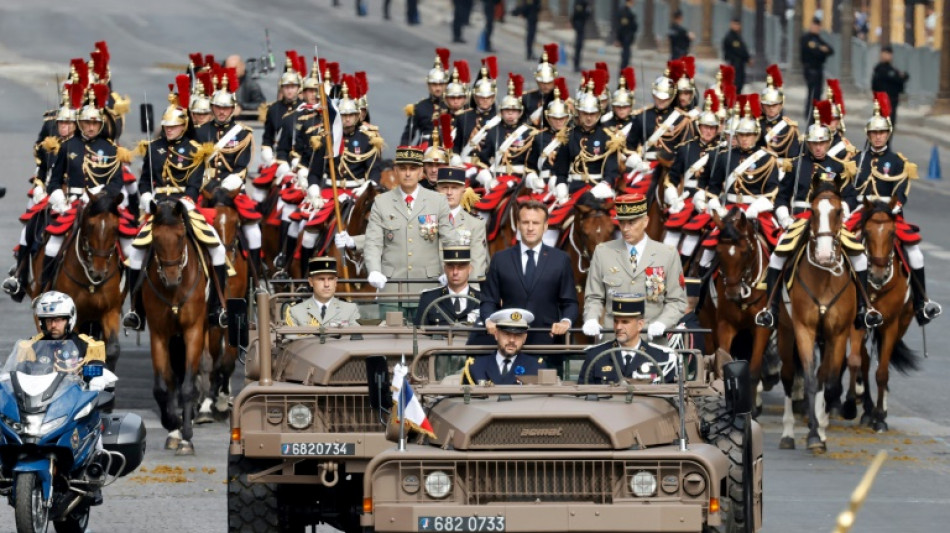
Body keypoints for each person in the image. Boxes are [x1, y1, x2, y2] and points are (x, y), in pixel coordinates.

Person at [122, 85, 231, 330]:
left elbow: (195, 183)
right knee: (134, 254)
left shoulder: (195, 149)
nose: (169, 131)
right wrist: (146, 197)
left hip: (184, 206)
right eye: (167, 127)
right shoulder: (153, 148)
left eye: (174, 127)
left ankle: (218, 307)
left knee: (218, 250)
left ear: (183, 126)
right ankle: (135, 310)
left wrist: (186, 201)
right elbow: (144, 179)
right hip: (159, 208)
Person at [756, 123, 876, 330]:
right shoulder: (795, 165)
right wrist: (784, 217)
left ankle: (864, 308)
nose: (818, 147)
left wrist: (843, 212)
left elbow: (850, 196)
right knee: (778, 256)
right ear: (808, 144)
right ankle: (771, 309)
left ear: (829, 143)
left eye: (822, 143)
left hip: (830, 221)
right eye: (814, 143)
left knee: (859, 256)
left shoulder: (839, 167)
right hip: (801, 219)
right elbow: (782, 197)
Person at [846, 94, 941, 326]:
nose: (878, 137)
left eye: (882, 133)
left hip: (889, 214)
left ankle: (920, 303)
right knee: (838, 246)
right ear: (868, 135)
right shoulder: (856, 161)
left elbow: (902, 193)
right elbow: (848, 192)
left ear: (887, 134)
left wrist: (893, 208)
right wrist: (852, 208)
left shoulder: (898, 161)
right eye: (874, 133)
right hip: (862, 211)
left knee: (915, 252)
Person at [40, 83, 128, 290]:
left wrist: (104, 196)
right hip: (74, 203)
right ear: (80, 122)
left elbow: (117, 182)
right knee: (53, 244)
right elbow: (53, 181)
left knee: (130, 247)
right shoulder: (68, 146)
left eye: (95, 123)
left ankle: (129, 297)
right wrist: (59, 200)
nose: (90, 127)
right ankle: (44, 288)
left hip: (102, 206)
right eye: (87, 122)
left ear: (100, 125)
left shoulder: (111, 148)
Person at [363, 147, 460, 318]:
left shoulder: (437, 201)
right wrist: (374, 269)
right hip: (392, 288)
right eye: (403, 168)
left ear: (421, 171)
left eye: (413, 168)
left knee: (427, 341)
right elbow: (373, 242)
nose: (408, 173)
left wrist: (449, 268)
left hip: (429, 287)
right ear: (396, 170)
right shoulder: (381, 202)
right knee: (392, 339)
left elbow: (450, 240)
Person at [582, 194, 687, 339]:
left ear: (645, 221)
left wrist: (663, 323)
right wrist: (591, 318)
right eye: (622, 223)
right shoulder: (603, 252)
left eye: (631, 223)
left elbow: (676, 300)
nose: (625, 229)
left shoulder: (667, 254)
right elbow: (594, 296)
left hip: (651, 340)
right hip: (613, 338)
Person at [194, 69, 263, 283]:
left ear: (233, 109)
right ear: (212, 108)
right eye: (218, 108)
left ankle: (254, 281)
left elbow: (241, 166)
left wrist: (227, 185)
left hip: (231, 191)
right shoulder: (199, 131)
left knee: (254, 233)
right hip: (204, 190)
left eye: (226, 108)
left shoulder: (242, 133)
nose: (222, 112)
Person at [480, 200, 578, 346]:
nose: (530, 228)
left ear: (545, 226)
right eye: (525, 222)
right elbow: (488, 300)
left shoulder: (560, 259)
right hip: (509, 340)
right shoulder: (500, 259)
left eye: (536, 223)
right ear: (518, 225)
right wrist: (489, 321)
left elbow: (570, 302)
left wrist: (565, 322)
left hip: (548, 342)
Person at [662, 91, 720, 265]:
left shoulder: (721, 153)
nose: (708, 131)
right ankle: (664, 268)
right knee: (673, 230)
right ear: (698, 127)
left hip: (708, 199)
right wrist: (673, 198)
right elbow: (671, 179)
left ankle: (688, 267)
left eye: (712, 128)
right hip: (686, 198)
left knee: (696, 233)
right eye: (705, 127)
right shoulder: (685, 149)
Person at [578, 295, 676, 384]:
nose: (619, 327)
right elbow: (583, 395)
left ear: (640, 325)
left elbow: (670, 398)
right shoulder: (596, 355)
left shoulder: (660, 357)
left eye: (625, 322)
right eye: (616, 321)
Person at [465, 308, 544, 385]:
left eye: (518, 335)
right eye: (507, 334)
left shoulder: (536, 367)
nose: (512, 340)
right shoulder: (475, 366)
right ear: (496, 334)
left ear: (524, 338)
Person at [435, 167, 488, 279]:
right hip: (427, 286)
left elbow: (476, 263)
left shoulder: (475, 224)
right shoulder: (425, 219)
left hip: (461, 288)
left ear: (463, 191)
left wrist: (470, 293)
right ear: (437, 190)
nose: (449, 192)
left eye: (454, 188)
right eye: (444, 187)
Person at [284, 256, 360, 328]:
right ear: (311, 282)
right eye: (321, 279)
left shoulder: (349, 309)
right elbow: (292, 338)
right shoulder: (295, 310)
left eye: (330, 279)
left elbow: (357, 337)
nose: (326, 284)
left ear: (336, 282)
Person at [415, 246, 482, 326]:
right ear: (445, 269)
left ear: (469, 269)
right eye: (450, 267)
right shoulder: (429, 298)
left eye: (461, 267)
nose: (455, 272)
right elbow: (419, 333)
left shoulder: (482, 298)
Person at [260, 53, 304, 170]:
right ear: (282, 89)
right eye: (286, 87)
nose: (289, 91)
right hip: (277, 158)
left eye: (293, 87)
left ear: (298, 88)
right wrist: (269, 158)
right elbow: (267, 139)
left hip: (300, 159)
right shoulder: (274, 109)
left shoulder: (305, 109)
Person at [400, 52, 449, 146]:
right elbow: (408, 136)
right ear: (428, 85)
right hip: (424, 152)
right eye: (434, 84)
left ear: (445, 85)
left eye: (440, 84)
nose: (438, 88)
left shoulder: (452, 107)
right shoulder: (419, 108)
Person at [758, 65, 800, 163]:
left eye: (775, 105)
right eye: (768, 105)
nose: (771, 108)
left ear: (781, 105)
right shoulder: (758, 124)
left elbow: (793, 156)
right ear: (763, 106)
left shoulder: (789, 128)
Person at [800, 17, 834, 120]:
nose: (815, 28)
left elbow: (830, 50)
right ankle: (808, 113)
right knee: (811, 92)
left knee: (818, 92)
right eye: (814, 25)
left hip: (818, 69)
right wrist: (821, 49)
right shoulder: (806, 38)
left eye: (817, 26)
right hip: (810, 69)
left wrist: (821, 50)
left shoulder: (818, 39)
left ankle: (815, 113)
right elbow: (810, 51)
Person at [870, 46, 909, 128]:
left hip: (892, 100)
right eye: (884, 53)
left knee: (889, 126)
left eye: (888, 54)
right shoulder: (879, 69)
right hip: (882, 101)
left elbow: (902, 78)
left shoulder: (892, 69)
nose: (886, 56)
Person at [522, 44, 559, 128]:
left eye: (549, 82)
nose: (545, 85)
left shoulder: (562, 100)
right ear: (537, 81)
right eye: (542, 82)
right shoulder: (526, 98)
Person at [722, 18, 751, 93]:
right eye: (735, 24)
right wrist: (747, 58)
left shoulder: (738, 36)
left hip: (739, 64)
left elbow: (743, 48)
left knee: (740, 83)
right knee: (735, 83)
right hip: (734, 63)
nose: (736, 26)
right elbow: (738, 50)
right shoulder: (730, 37)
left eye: (738, 24)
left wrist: (747, 58)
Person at [571, 0, 593, 73]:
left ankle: (577, 63)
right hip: (579, 24)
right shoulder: (580, 2)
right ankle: (576, 64)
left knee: (580, 45)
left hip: (580, 24)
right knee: (578, 44)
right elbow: (578, 14)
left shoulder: (583, 2)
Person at [616, 0, 638, 71]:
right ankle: (622, 75)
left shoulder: (631, 11)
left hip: (629, 38)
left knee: (627, 58)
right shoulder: (624, 12)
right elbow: (621, 27)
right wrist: (618, 39)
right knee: (625, 58)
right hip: (625, 37)